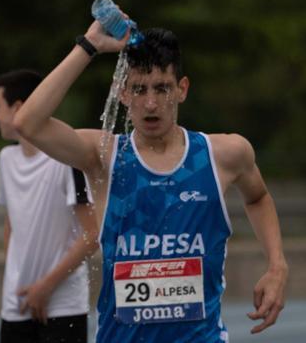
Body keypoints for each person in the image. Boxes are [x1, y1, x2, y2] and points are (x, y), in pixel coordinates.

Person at [14, 22, 288, 341]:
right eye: (140, 90)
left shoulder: (223, 154)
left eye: (162, 88)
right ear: (124, 93)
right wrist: (89, 45)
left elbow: (258, 198)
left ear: (181, 89)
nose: (151, 104)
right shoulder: (103, 156)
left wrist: (277, 265)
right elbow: (28, 123)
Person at [0, 69, 100, 343]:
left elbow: (92, 235)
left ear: (18, 108)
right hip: (17, 303)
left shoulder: (66, 158)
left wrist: (45, 287)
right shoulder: (6, 159)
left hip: (63, 306)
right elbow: (11, 224)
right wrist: (20, 280)